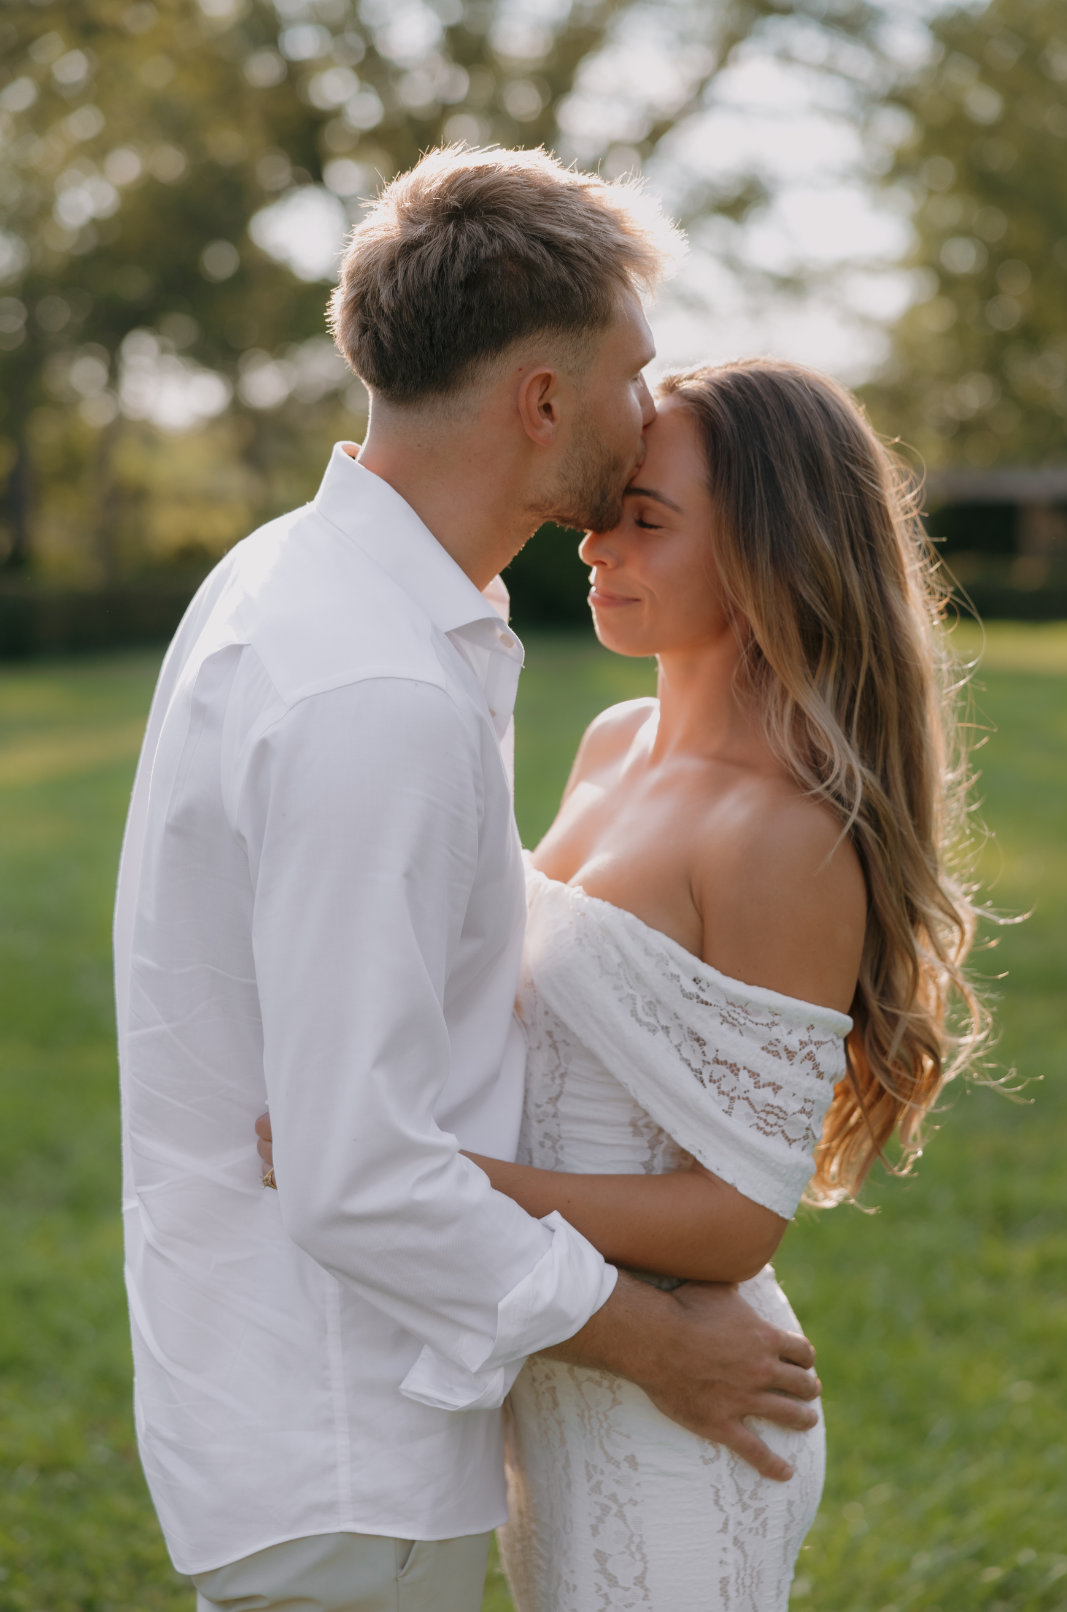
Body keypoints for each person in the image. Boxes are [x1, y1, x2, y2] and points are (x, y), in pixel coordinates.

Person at [114, 147, 823, 1612]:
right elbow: (355, 1179)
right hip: (340, 1427)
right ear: (542, 400)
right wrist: (650, 1339)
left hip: (317, 1400)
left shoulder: (296, 583)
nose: (649, 414)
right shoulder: (370, 691)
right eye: (633, 373)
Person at [459, 361, 987, 1608]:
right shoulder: (609, 745)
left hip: (685, 1423)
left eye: (647, 519)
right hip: (560, 1383)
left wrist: (439, 1178)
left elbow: (736, 1216)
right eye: (605, 509)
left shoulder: (780, 836)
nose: (595, 542)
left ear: (769, 552)